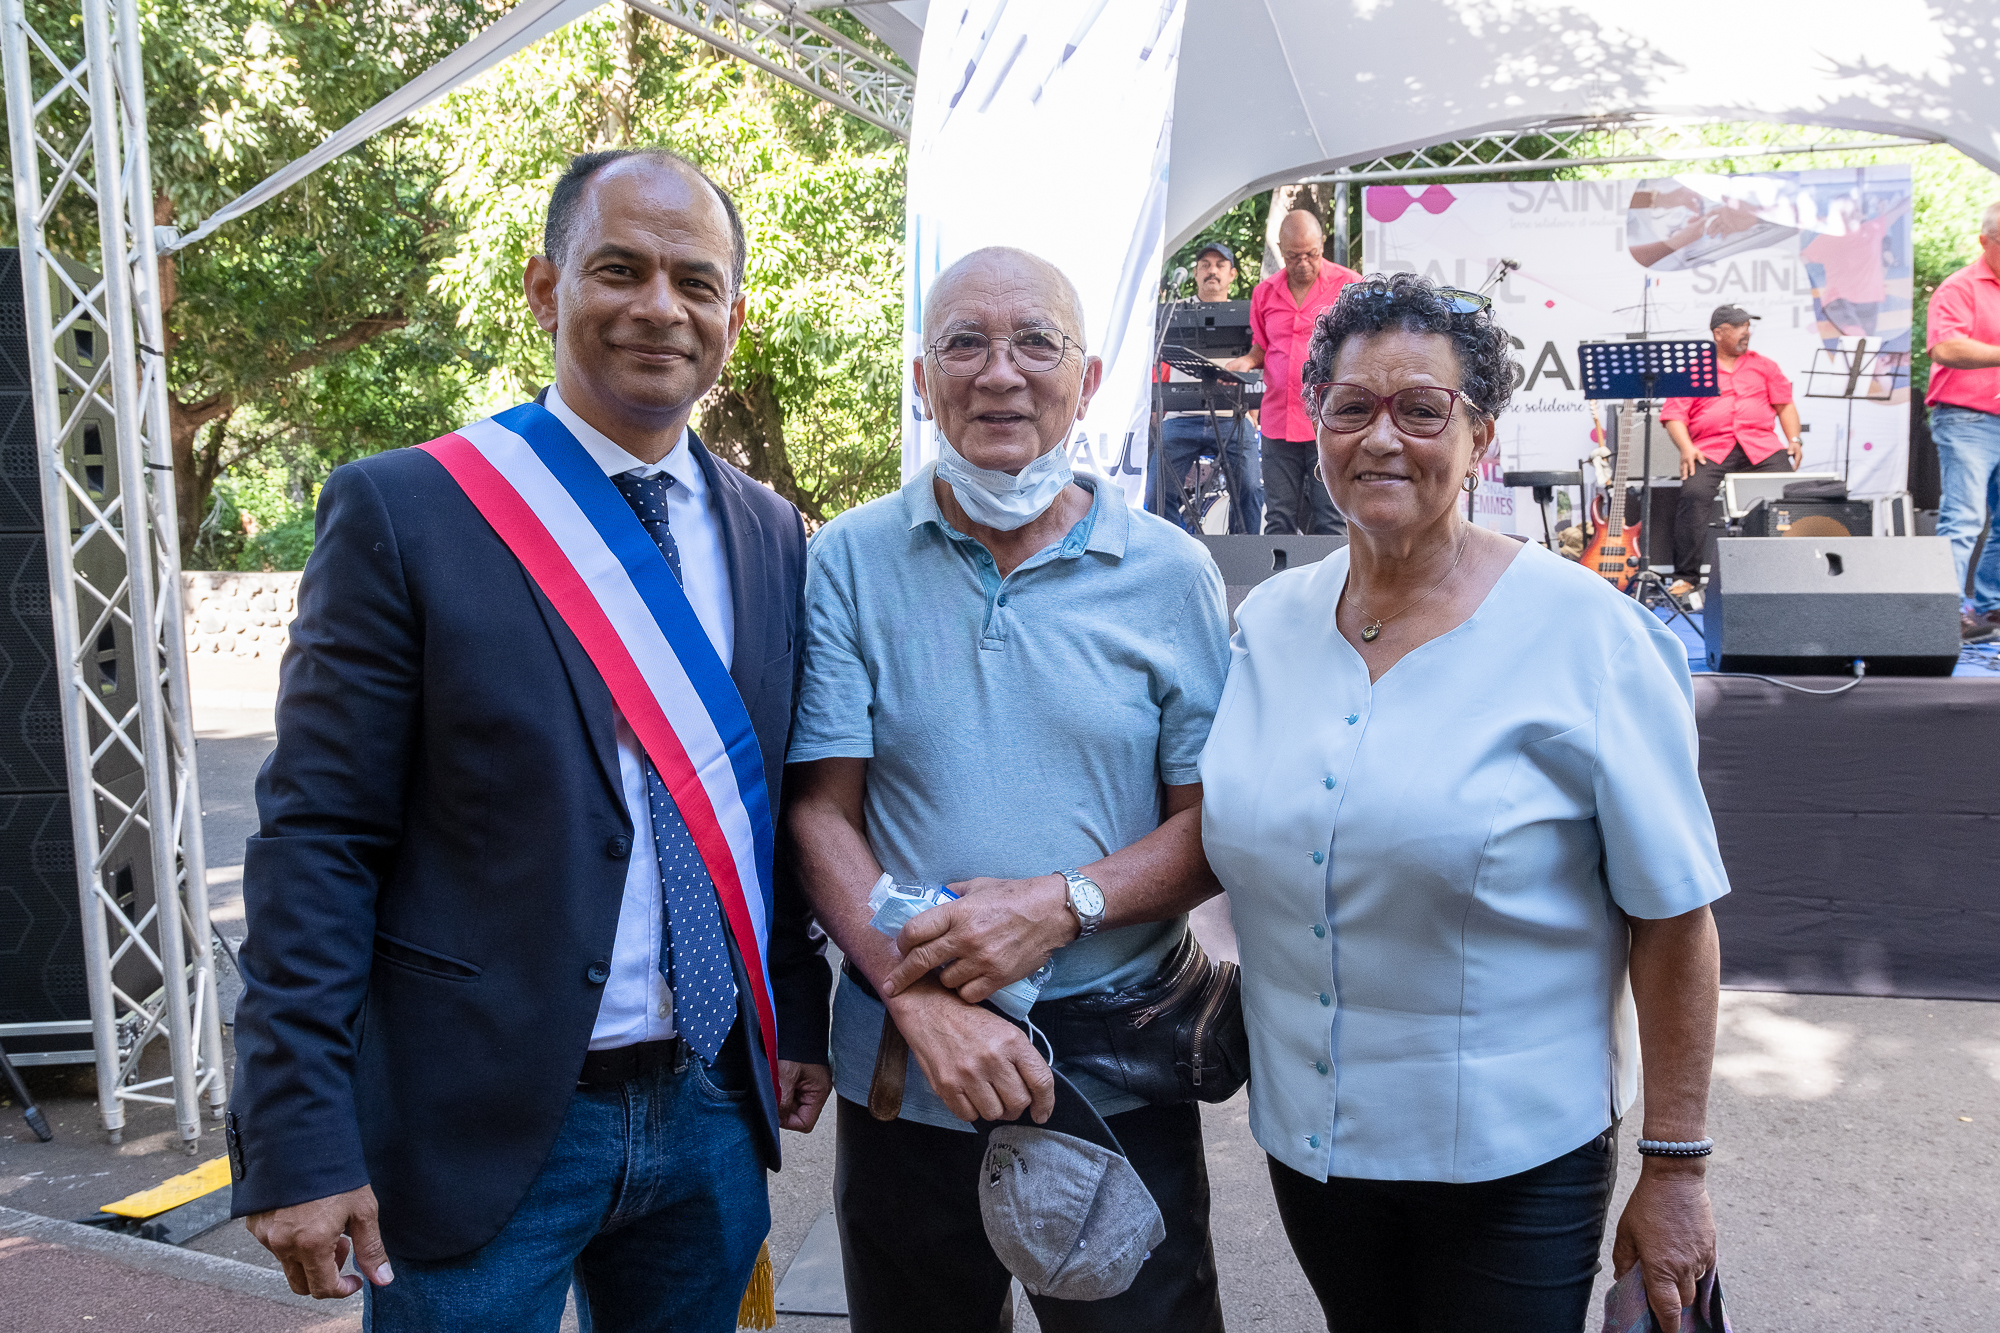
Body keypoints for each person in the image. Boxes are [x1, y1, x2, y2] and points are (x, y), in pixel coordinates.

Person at [227, 149, 833, 1331]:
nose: (660, 307)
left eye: (695, 281)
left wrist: (796, 1011)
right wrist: (296, 1129)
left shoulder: (770, 531)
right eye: (620, 269)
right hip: (481, 1116)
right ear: (543, 287)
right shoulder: (407, 510)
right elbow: (318, 836)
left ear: (732, 318)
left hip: (711, 1105)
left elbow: (769, 804)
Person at [1199, 272, 1728, 1333]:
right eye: (1351, 407)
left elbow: (1671, 919)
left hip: (1513, 1160)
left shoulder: (1588, 637)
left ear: (1476, 434)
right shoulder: (1266, 625)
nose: (1380, 437)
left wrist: (1673, 1164)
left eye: (1419, 408)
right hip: (1311, 1145)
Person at [785, 245, 1232, 1333]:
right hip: (910, 1069)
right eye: (964, 344)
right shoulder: (848, 558)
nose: (999, 373)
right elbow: (819, 810)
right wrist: (917, 994)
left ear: (1084, 383)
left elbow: (1211, 827)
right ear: (920, 378)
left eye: (1037, 342)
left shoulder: (1170, 574)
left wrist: (1055, 904)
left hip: (1113, 1066)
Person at [1229, 209, 1360, 536]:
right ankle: (1280, 587)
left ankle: (1334, 587)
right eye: (1293, 256)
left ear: (1322, 245)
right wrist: (1245, 363)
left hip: (1330, 420)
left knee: (1330, 520)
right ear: (1280, 250)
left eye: (1311, 255)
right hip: (1278, 419)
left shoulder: (1350, 285)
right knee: (1278, 519)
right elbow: (1261, 349)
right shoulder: (1264, 293)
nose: (1303, 263)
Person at [1660, 303, 1801, 596]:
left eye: (1747, 326)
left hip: (1760, 446)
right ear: (1718, 333)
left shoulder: (1764, 365)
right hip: (1710, 448)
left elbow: (1785, 405)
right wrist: (1686, 448)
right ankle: (1686, 577)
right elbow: (1674, 415)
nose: (1746, 332)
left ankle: (1790, 570)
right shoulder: (1694, 368)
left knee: (1790, 493)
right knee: (1694, 494)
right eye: (1739, 327)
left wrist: (1794, 439)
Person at [1148, 240, 1264, 533]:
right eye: (1205, 266)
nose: (1212, 272)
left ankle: (1242, 558)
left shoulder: (1250, 315)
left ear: (1232, 275)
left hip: (1231, 417)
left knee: (1250, 488)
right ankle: (1173, 551)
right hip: (1180, 418)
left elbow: (1259, 361)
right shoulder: (1174, 310)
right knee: (1156, 493)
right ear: (1197, 274)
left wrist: (1252, 410)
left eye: (1220, 266)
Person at [1924, 199, 2000, 644]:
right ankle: (1948, 613)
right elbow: (1946, 349)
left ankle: (1991, 608)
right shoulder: (1960, 287)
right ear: (1984, 240)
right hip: (1967, 419)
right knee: (1964, 517)